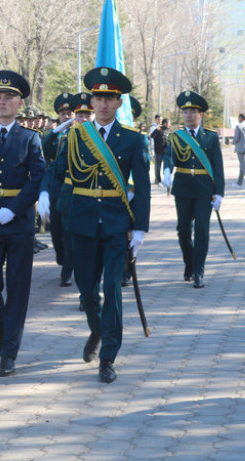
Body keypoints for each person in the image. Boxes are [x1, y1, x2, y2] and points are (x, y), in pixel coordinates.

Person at [66, 67, 150, 384]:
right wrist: (45, 193)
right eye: (98, 97)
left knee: (112, 289)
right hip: (83, 222)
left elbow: (141, 187)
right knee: (87, 292)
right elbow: (59, 170)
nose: (102, 104)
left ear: (118, 103)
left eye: (109, 98)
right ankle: (97, 329)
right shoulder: (76, 135)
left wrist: (140, 228)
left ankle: (108, 357)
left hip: (116, 224)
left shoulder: (133, 140)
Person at [0, 70, 45, 378]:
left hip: (18, 224)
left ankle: (9, 353)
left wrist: (15, 209)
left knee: (18, 289)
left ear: (19, 103)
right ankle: (1, 325)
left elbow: (37, 179)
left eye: (8, 98)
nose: (2, 102)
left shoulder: (30, 138)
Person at [162, 90, 225, 289]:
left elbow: (218, 167)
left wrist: (220, 192)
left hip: (204, 190)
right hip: (182, 189)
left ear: (201, 114)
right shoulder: (176, 137)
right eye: (185, 111)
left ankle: (198, 271)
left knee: (202, 230)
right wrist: (166, 170)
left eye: (193, 111)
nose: (188, 115)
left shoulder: (211, 138)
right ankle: (189, 263)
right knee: (182, 230)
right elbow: (169, 157)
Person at [39, 92, 73, 286]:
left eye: (70, 113)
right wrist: (55, 131)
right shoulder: (55, 136)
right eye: (63, 113)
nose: (67, 116)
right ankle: (63, 260)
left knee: (69, 234)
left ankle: (67, 271)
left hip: (74, 189)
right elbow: (44, 150)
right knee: (57, 234)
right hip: (56, 187)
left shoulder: (81, 134)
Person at [150, 118, 170, 184]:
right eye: (168, 123)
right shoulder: (158, 130)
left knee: (167, 167)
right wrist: (156, 129)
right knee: (158, 167)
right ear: (165, 123)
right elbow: (151, 136)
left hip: (166, 152)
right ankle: (158, 180)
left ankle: (166, 180)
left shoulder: (167, 131)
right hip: (159, 152)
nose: (169, 124)